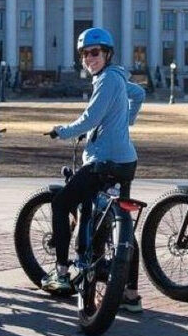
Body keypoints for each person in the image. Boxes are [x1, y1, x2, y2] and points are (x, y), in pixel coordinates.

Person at [42, 27, 145, 312]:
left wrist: (62, 131)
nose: (90, 58)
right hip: (126, 162)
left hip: (102, 161)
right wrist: (125, 122)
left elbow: (90, 117)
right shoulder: (119, 78)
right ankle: (130, 294)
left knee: (62, 204)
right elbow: (140, 94)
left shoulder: (106, 81)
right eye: (85, 54)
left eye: (95, 53)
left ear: (107, 54)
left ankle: (61, 273)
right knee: (119, 219)